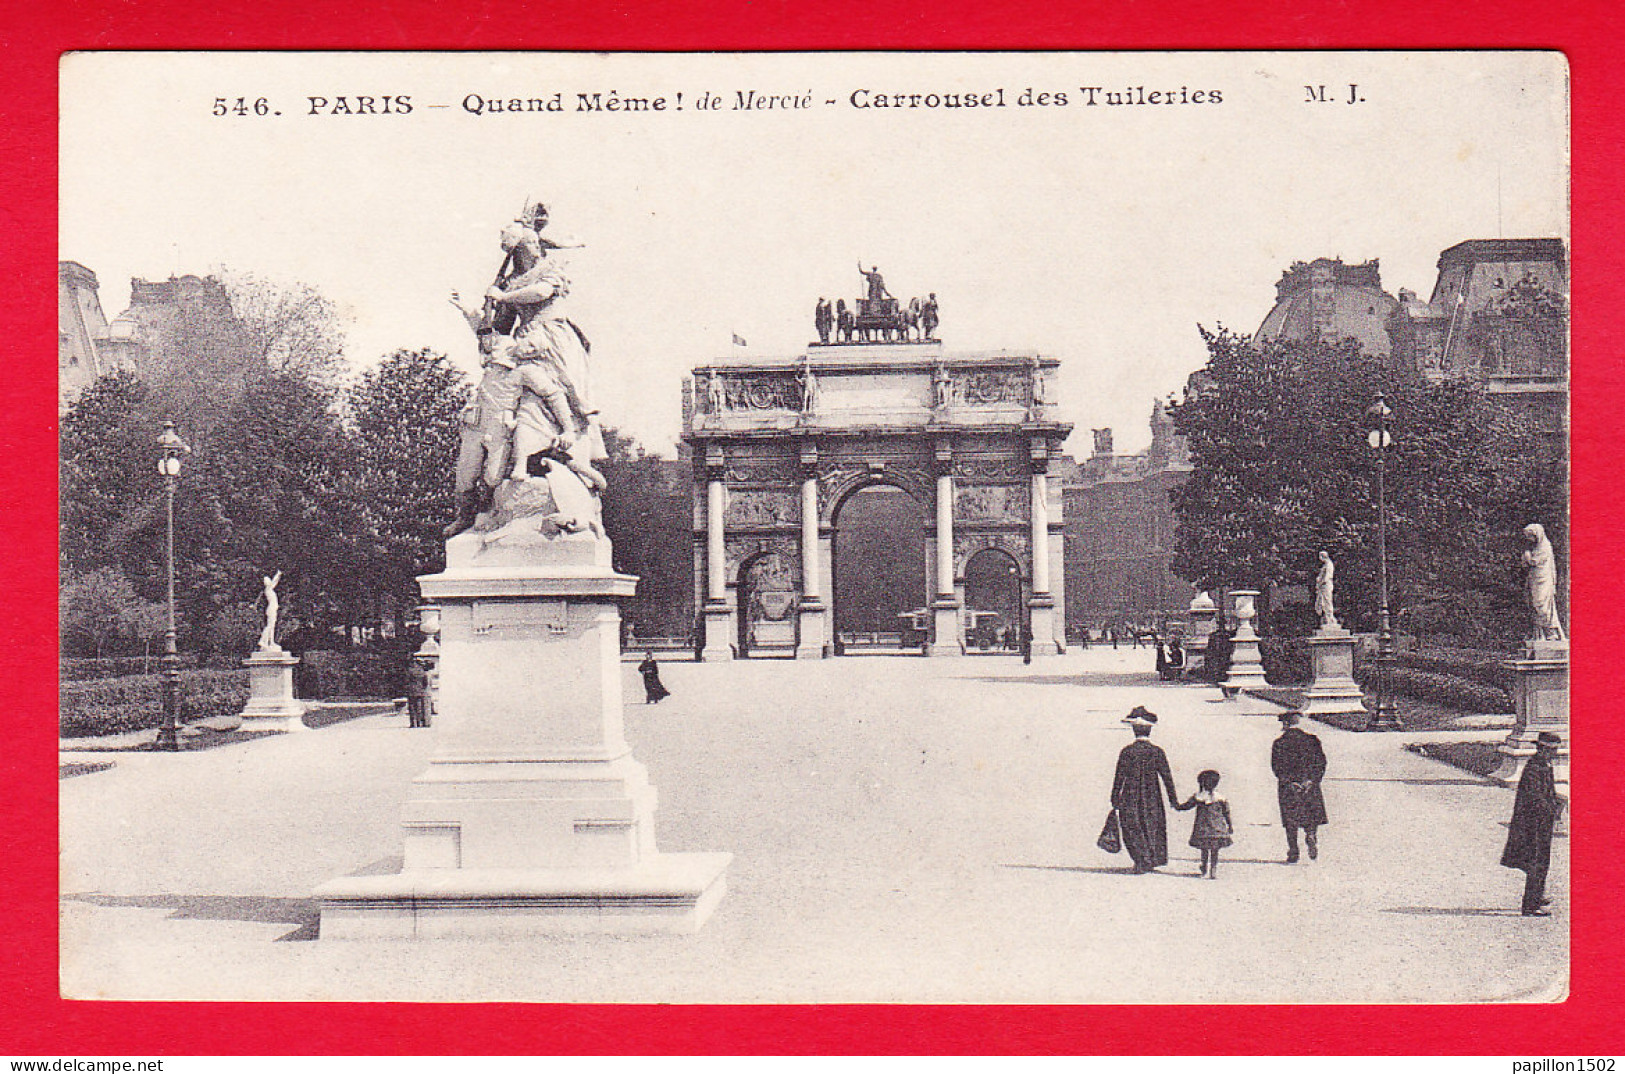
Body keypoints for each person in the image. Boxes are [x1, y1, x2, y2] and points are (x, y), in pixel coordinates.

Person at [1110, 706, 1181, 873]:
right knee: (1152, 824)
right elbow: (1167, 777)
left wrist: (1115, 797)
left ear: (1134, 730)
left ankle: (1140, 860)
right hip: (1152, 795)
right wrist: (1173, 800)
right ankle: (1151, 859)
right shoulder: (1157, 752)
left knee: (1132, 824)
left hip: (1130, 794)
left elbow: (1119, 776)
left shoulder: (1127, 751)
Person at [1502, 731, 1562, 916]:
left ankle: (1537, 895)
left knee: (1541, 860)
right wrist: (1552, 809)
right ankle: (1530, 905)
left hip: (1541, 821)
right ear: (1543, 750)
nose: (1554, 754)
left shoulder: (1543, 765)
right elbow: (1535, 798)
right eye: (1551, 750)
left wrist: (1556, 804)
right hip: (1532, 823)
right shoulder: (1535, 768)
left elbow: (1546, 793)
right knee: (1537, 861)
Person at [1271, 710, 1328, 863]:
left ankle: (1293, 850)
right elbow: (1321, 762)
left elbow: (1276, 767)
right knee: (1310, 813)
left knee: (1291, 818)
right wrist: (1312, 780)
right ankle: (1310, 834)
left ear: (1285, 724)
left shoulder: (1279, 743)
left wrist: (1289, 782)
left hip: (1289, 785)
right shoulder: (1312, 740)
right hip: (1310, 783)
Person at [1175, 769, 1233, 879]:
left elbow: (1187, 806)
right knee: (1215, 850)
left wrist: (1177, 806)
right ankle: (1213, 869)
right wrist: (1230, 826)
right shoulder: (1220, 798)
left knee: (1204, 850)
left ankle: (1204, 868)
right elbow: (1227, 813)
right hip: (1217, 829)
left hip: (1203, 829)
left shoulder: (1199, 797)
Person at [1522, 523, 1566, 641]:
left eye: (1531, 536)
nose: (1529, 540)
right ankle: (1539, 634)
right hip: (1535, 580)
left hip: (1544, 580)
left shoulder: (1545, 547)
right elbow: (1527, 565)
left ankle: (1551, 632)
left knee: (1542, 604)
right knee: (1535, 605)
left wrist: (1527, 557)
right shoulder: (1536, 548)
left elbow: (1534, 562)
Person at [406, 657, 431, 728]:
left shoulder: (410, 671)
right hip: (420, 692)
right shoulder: (422, 671)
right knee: (419, 708)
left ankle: (413, 723)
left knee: (412, 708)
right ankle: (419, 722)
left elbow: (406, 681)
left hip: (411, 691)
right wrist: (422, 688)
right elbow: (425, 682)